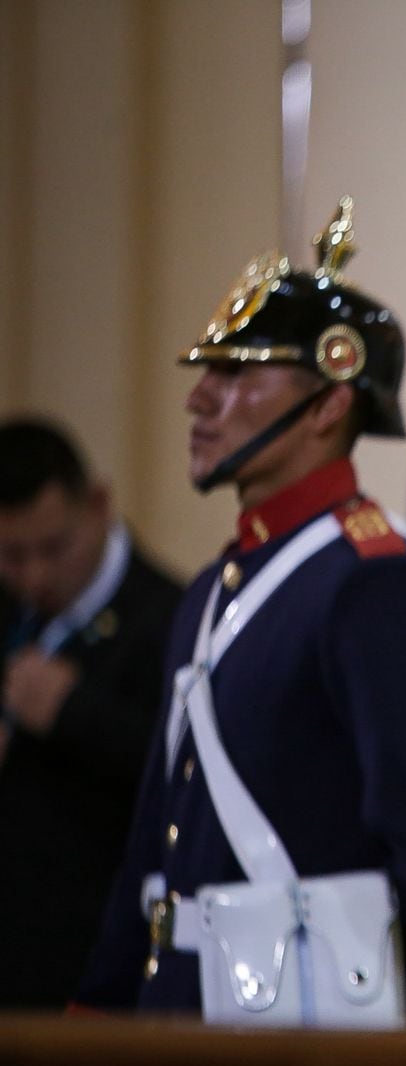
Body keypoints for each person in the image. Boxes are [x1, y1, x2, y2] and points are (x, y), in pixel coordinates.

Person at [76, 199, 406, 1019]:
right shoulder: (212, 592)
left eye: (237, 374)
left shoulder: (374, 585)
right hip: (178, 1019)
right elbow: (151, 850)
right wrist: (98, 1007)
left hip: (301, 1025)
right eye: (208, 373)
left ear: (330, 403)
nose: (201, 400)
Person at [0, 419, 183, 1010]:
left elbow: (183, 777)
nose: (34, 577)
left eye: (54, 548)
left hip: (101, 981)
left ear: (99, 504)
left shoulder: (172, 616)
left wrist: (73, 712)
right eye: (11, 555)